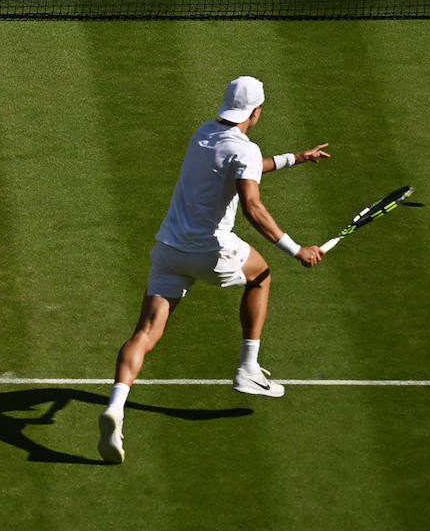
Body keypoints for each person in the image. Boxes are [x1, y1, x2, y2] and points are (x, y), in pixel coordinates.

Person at [98, 75, 330, 464]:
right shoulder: (247, 150)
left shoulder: (203, 133)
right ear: (256, 112)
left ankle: (115, 407)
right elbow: (252, 206)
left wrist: (296, 158)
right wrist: (296, 250)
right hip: (210, 251)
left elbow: (247, 167)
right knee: (261, 275)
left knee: (145, 332)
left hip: (168, 249)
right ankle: (248, 369)